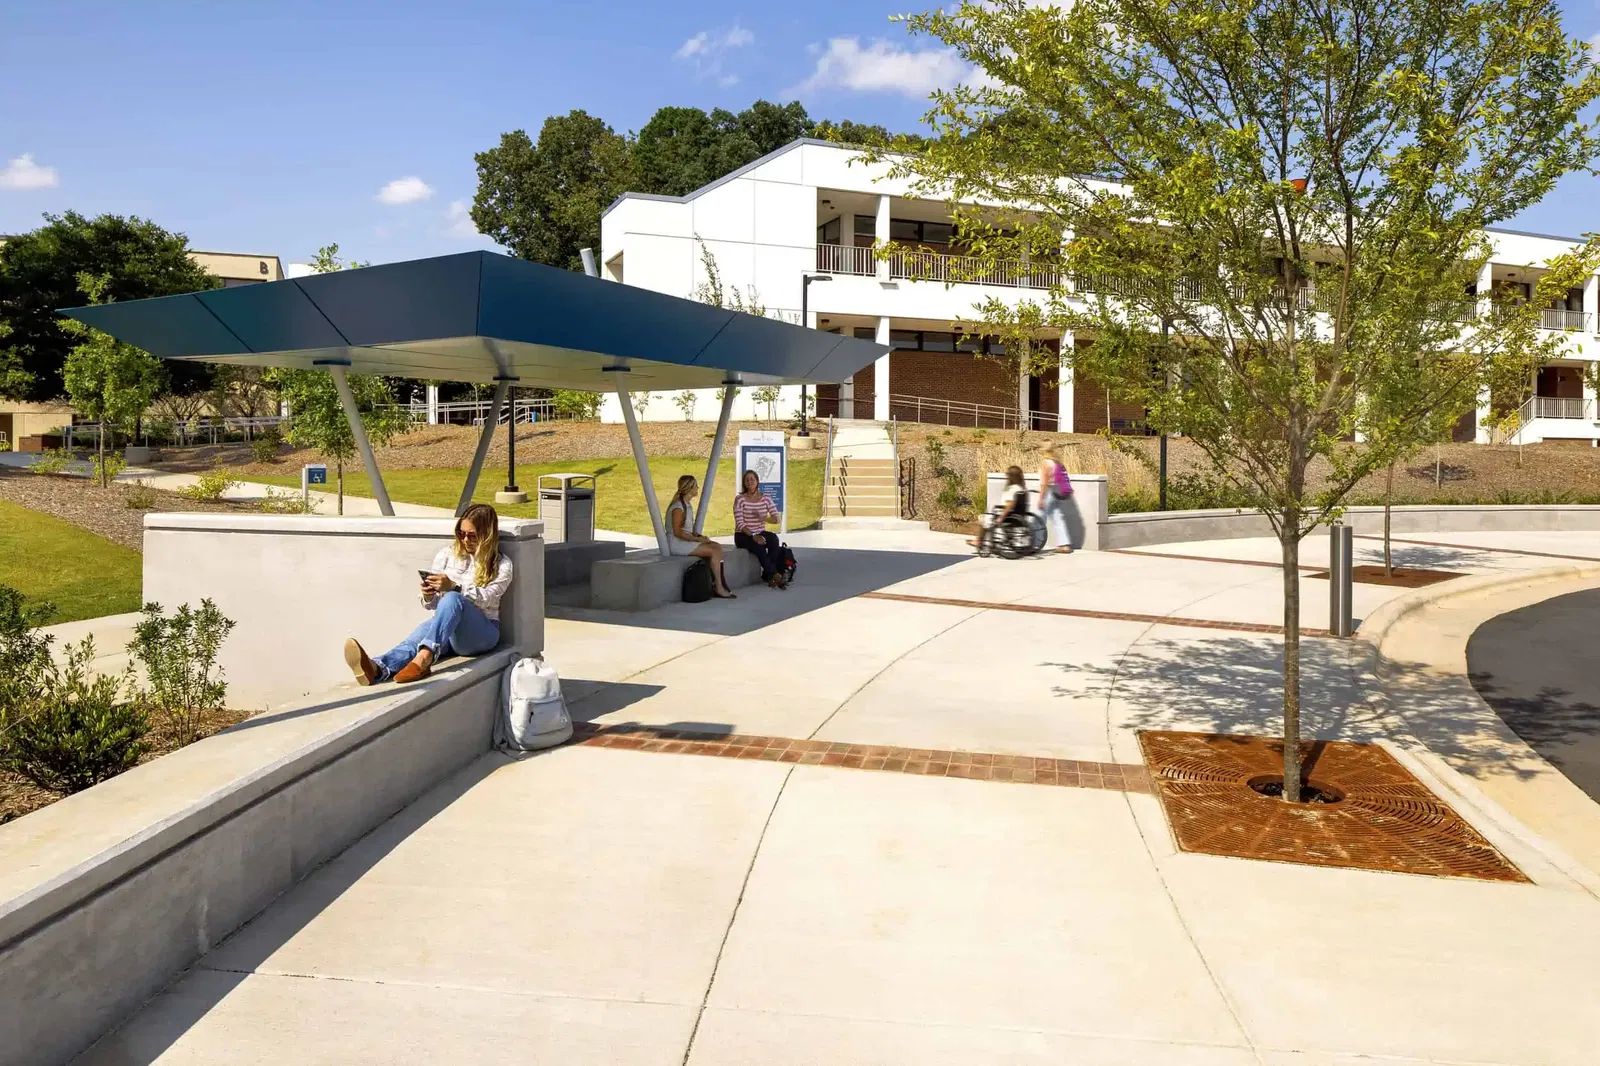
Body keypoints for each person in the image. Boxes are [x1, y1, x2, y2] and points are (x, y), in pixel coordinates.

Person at [343, 503, 511, 685]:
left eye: (472, 536)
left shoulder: (502, 565)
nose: (464, 540)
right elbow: (432, 606)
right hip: (448, 628)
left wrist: (454, 587)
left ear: (486, 536)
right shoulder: (447, 555)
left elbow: (489, 598)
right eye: (461, 534)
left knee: (453, 598)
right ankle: (377, 667)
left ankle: (424, 659)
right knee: (417, 638)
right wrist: (429, 595)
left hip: (482, 634)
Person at [666, 474, 736, 599]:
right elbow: (678, 532)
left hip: (684, 541)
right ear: (689, 488)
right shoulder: (678, 507)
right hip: (677, 544)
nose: (698, 488)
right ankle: (719, 587)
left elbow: (687, 530)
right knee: (714, 551)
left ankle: (719, 582)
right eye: (695, 486)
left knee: (717, 546)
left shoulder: (686, 505)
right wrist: (697, 539)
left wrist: (700, 537)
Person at [734, 468, 788, 589]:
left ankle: (767, 575)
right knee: (759, 547)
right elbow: (740, 523)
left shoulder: (766, 498)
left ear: (757, 481)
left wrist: (764, 517)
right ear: (744, 483)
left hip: (759, 531)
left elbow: (776, 519)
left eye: (752, 479)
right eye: (747, 480)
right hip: (743, 534)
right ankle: (775, 575)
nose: (749, 482)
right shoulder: (740, 499)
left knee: (773, 540)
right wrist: (753, 536)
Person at [971, 465, 1028, 553]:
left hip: (1006, 515)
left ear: (1011, 476)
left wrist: (1001, 517)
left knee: (984, 519)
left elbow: (1010, 505)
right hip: (1017, 515)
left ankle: (979, 541)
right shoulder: (1021, 488)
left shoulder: (1012, 489)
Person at [1038, 444, 1075, 554]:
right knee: (1058, 517)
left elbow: (1044, 482)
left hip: (1049, 492)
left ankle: (1035, 543)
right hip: (1057, 492)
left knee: (1039, 517)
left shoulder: (1046, 463)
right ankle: (1064, 544)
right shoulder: (1057, 462)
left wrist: (1041, 498)